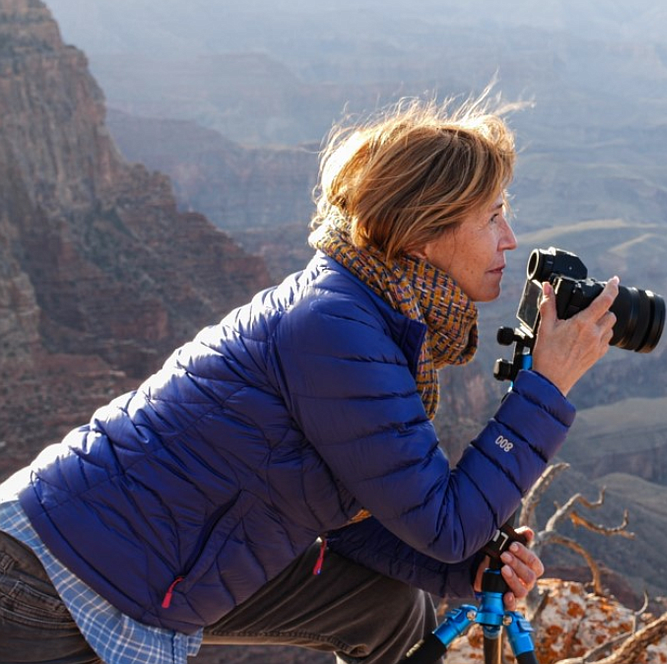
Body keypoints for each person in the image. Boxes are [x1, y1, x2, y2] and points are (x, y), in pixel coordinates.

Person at [0, 93, 619, 663]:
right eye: (493, 217)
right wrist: (546, 385)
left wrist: (469, 574)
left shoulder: (371, 307)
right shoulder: (336, 329)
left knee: (389, 607)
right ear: (425, 233)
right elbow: (447, 524)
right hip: (54, 582)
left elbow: (346, 519)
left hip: (146, 564)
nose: (509, 240)